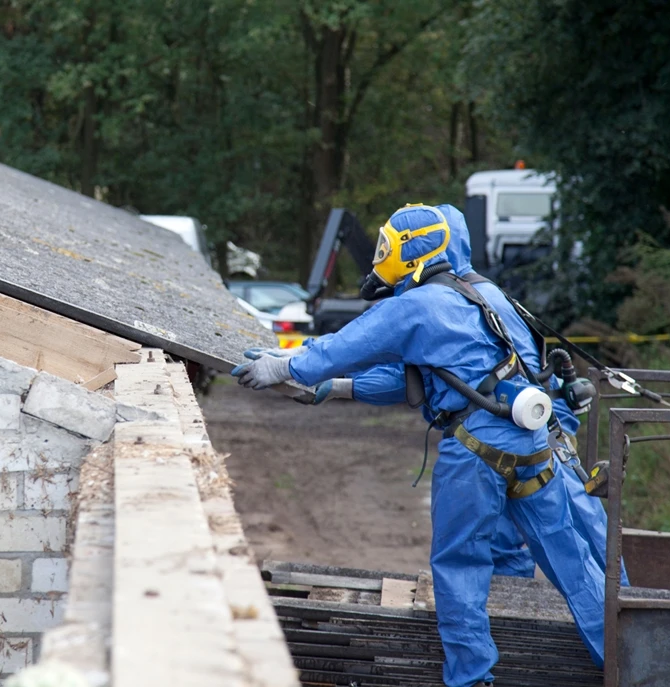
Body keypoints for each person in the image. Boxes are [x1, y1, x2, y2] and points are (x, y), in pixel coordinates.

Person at [233, 203, 605, 687]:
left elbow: (340, 348)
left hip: (474, 452)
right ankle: (632, 660)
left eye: (386, 248)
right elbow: (420, 379)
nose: (379, 259)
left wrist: (284, 366)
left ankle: (472, 678)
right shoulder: (486, 295)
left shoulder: (417, 306)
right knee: (571, 562)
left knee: (460, 564)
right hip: (534, 444)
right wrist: (339, 388)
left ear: (412, 251)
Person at [274, 204, 627, 585]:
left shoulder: (461, 299)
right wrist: (345, 386)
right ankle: (584, 632)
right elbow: (422, 378)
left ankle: (622, 633)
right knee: (548, 558)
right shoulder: (463, 297)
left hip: (534, 432)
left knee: (573, 552)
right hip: (527, 432)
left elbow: (429, 376)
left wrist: (311, 369)